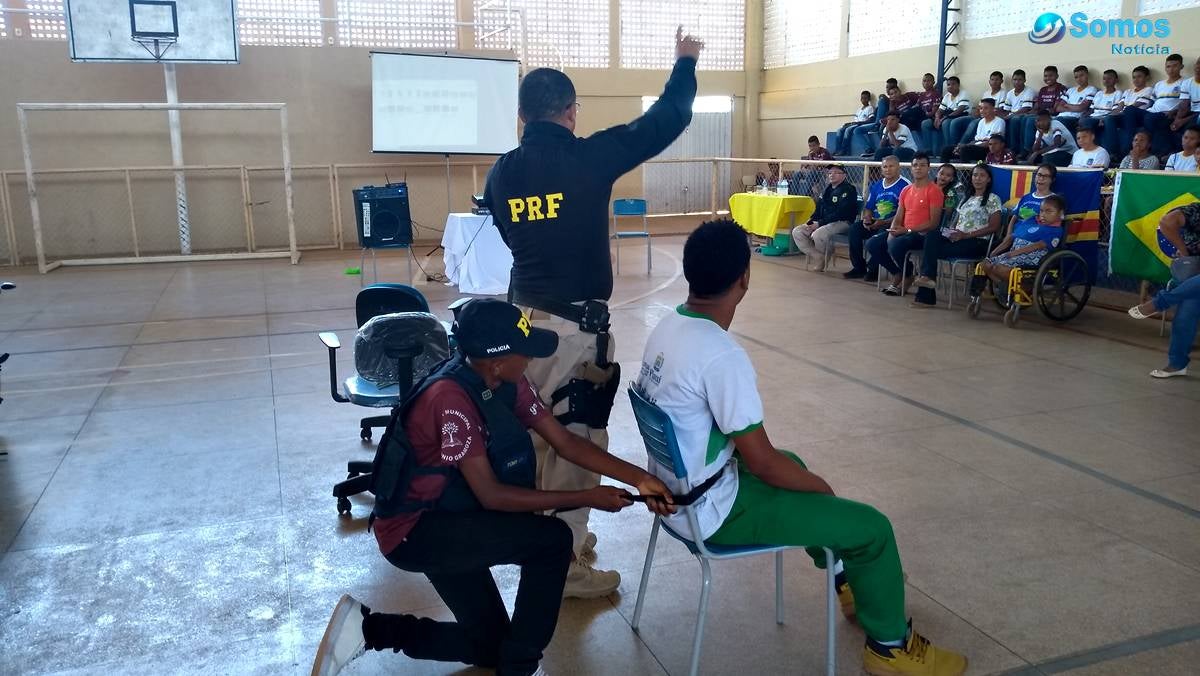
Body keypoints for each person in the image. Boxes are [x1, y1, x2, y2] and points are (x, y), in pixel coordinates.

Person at [637, 218, 969, 676]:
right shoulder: (719, 354)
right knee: (870, 528)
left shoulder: (669, 325)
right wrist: (822, 488)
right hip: (712, 511)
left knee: (793, 463)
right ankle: (890, 648)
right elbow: (763, 463)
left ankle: (843, 578)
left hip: (675, 493)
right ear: (744, 278)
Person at [309, 299, 676, 676]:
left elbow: (564, 442)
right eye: (525, 353)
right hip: (415, 532)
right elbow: (493, 496)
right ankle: (521, 669)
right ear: (497, 362)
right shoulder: (450, 400)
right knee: (551, 542)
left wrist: (639, 479)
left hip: (449, 514)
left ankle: (368, 629)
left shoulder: (502, 380)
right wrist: (587, 497)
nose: (531, 361)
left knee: (489, 645)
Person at [483, 27, 703, 597]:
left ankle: (549, 537)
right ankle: (565, 563)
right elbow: (666, 120)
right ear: (571, 112)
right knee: (574, 440)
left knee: (535, 433)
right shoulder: (589, 158)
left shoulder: (501, 171)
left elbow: (510, 235)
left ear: (521, 116)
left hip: (523, 322)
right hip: (571, 333)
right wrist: (684, 62)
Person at [911, 164, 1004, 308]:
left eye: (982, 176)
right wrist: (952, 232)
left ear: (989, 180)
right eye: (974, 175)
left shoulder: (993, 199)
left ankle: (926, 291)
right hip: (958, 238)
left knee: (931, 251)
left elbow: (994, 227)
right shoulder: (966, 198)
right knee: (932, 235)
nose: (977, 179)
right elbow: (957, 222)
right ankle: (926, 280)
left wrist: (966, 235)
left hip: (977, 242)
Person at [1127, 203, 1200, 378]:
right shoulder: (1196, 211)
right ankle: (1177, 364)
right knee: (1187, 308)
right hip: (1195, 272)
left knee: (1190, 291)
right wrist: (1184, 251)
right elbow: (1167, 221)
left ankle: (1161, 302)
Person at [866, 152, 944, 296]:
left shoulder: (934, 191)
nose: (918, 168)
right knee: (872, 244)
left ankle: (906, 276)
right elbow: (899, 214)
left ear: (928, 168)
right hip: (904, 231)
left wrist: (906, 230)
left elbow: (933, 223)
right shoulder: (906, 190)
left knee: (897, 244)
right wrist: (893, 230)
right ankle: (903, 273)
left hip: (921, 235)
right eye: (915, 165)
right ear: (911, 168)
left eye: (922, 165)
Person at [968, 195, 1067, 306]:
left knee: (999, 268)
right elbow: (1011, 238)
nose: (1043, 215)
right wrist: (994, 252)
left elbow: (1038, 245)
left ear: (1060, 213)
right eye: (1042, 211)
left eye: (1049, 211)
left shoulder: (1055, 230)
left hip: (1032, 256)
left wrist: (1013, 253)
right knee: (984, 264)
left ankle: (1015, 286)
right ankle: (1002, 285)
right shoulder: (1031, 220)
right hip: (1014, 252)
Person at [845, 155, 910, 281]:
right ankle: (859, 268)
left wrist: (883, 222)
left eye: (891, 166)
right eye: (885, 166)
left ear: (898, 168)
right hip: (876, 221)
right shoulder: (877, 185)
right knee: (854, 230)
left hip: (894, 224)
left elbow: (905, 213)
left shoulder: (906, 186)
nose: (888, 169)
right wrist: (867, 218)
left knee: (878, 239)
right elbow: (869, 206)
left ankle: (873, 270)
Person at [792, 164, 858, 272]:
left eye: (836, 172)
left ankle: (824, 259)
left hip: (842, 222)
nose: (832, 175)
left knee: (818, 234)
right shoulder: (826, 190)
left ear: (844, 175)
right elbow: (819, 209)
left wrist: (819, 224)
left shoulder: (848, 190)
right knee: (798, 231)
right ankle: (819, 257)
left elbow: (840, 213)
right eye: (830, 173)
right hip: (824, 222)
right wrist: (812, 221)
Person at [1127, 54, 1189, 155]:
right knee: (1129, 110)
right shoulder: (1159, 84)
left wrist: (1174, 112)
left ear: (1181, 67)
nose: (1171, 69)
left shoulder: (1185, 82)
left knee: (1150, 118)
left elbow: (1186, 103)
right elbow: (1151, 102)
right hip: (1151, 112)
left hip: (1166, 113)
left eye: (1175, 66)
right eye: (1168, 66)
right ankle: (1130, 147)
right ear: (1165, 68)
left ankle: (1156, 151)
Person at [1019, 66, 1067, 154]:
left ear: (1057, 76)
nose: (1048, 78)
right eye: (1045, 76)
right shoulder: (1043, 90)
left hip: (1051, 115)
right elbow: (1037, 106)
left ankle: (1028, 150)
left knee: (1030, 120)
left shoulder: (1061, 88)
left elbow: (1055, 109)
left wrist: (1041, 112)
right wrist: (1029, 112)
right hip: (1041, 114)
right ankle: (1022, 149)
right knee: (1023, 118)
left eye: (1051, 75)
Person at [1114, 66, 1156, 157]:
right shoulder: (1128, 91)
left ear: (1147, 77)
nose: (1136, 79)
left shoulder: (1149, 90)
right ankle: (1112, 152)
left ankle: (1127, 148)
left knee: (1129, 110)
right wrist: (1112, 114)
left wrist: (1123, 111)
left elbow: (1136, 105)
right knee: (1109, 119)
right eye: (1134, 77)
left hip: (1139, 116)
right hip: (1125, 114)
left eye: (1139, 76)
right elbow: (1120, 106)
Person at [948, 98, 1004, 163]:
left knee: (964, 150)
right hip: (976, 147)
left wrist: (968, 146)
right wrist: (963, 145)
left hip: (988, 150)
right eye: (981, 108)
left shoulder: (999, 122)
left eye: (986, 108)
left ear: (993, 109)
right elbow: (976, 140)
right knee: (947, 150)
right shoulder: (981, 122)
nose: (982, 111)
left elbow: (991, 143)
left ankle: (966, 172)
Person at [923, 75, 969, 153]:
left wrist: (944, 118)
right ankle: (928, 150)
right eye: (948, 85)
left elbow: (960, 110)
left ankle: (950, 149)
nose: (950, 86)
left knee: (946, 123)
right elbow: (940, 110)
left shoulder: (963, 93)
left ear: (958, 85)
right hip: (948, 116)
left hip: (962, 116)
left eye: (953, 84)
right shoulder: (947, 96)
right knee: (925, 123)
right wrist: (937, 118)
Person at [1086, 68, 1124, 156]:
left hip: (1106, 117)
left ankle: (1111, 153)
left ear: (1116, 80)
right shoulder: (1099, 93)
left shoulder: (1118, 93)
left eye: (1109, 78)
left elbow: (1116, 110)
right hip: (1094, 117)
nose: (1106, 81)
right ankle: (1088, 150)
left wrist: (1103, 119)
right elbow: (1091, 109)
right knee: (1085, 122)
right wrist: (1084, 116)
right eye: (1104, 78)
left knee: (1107, 121)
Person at [998, 68, 1035, 154]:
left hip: (1023, 114)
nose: (1017, 82)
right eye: (1015, 79)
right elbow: (1006, 110)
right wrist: (1001, 116)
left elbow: (1026, 109)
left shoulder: (1029, 91)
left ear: (1025, 80)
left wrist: (1010, 116)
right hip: (1012, 115)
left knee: (1014, 119)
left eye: (1020, 79)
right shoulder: (1010, 93)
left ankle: (1014, 149)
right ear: (1012, 80)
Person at [1054, 65, 1096, 134]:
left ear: (1087, 75)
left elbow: (1081, 108)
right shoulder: (1071, 90)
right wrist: (1075, 108)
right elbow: (1058, 108)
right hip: (1061, 116)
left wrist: (1066, 105)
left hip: (1074, 118)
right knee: (1041, 121)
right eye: (1076, 77)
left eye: (1081, 75)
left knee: (1057, 122)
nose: (1079, 79)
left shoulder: (1091, 89)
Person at [834, 90, 877, 155]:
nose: (863, 100)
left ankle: (844, 150)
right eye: (862, 98)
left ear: (869, 99)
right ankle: (837, 150)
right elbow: (855, 121)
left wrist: (859, 123)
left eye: (865, 98)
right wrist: (849, 123)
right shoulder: (859, 109)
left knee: (848, 130)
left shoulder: (870, 108)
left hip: (861, 125)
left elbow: (871, 119)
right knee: (839, 130)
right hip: (855, 124)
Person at [1171, 56, 1200, 138]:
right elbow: (1184, 104)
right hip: (1193, 112)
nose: (1198, 67)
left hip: (1197, 115)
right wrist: (1177, 119)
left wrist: (1183, 121)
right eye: (1198, 63)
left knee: (1190, 125)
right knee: (1165, 123)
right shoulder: (1187, 83)